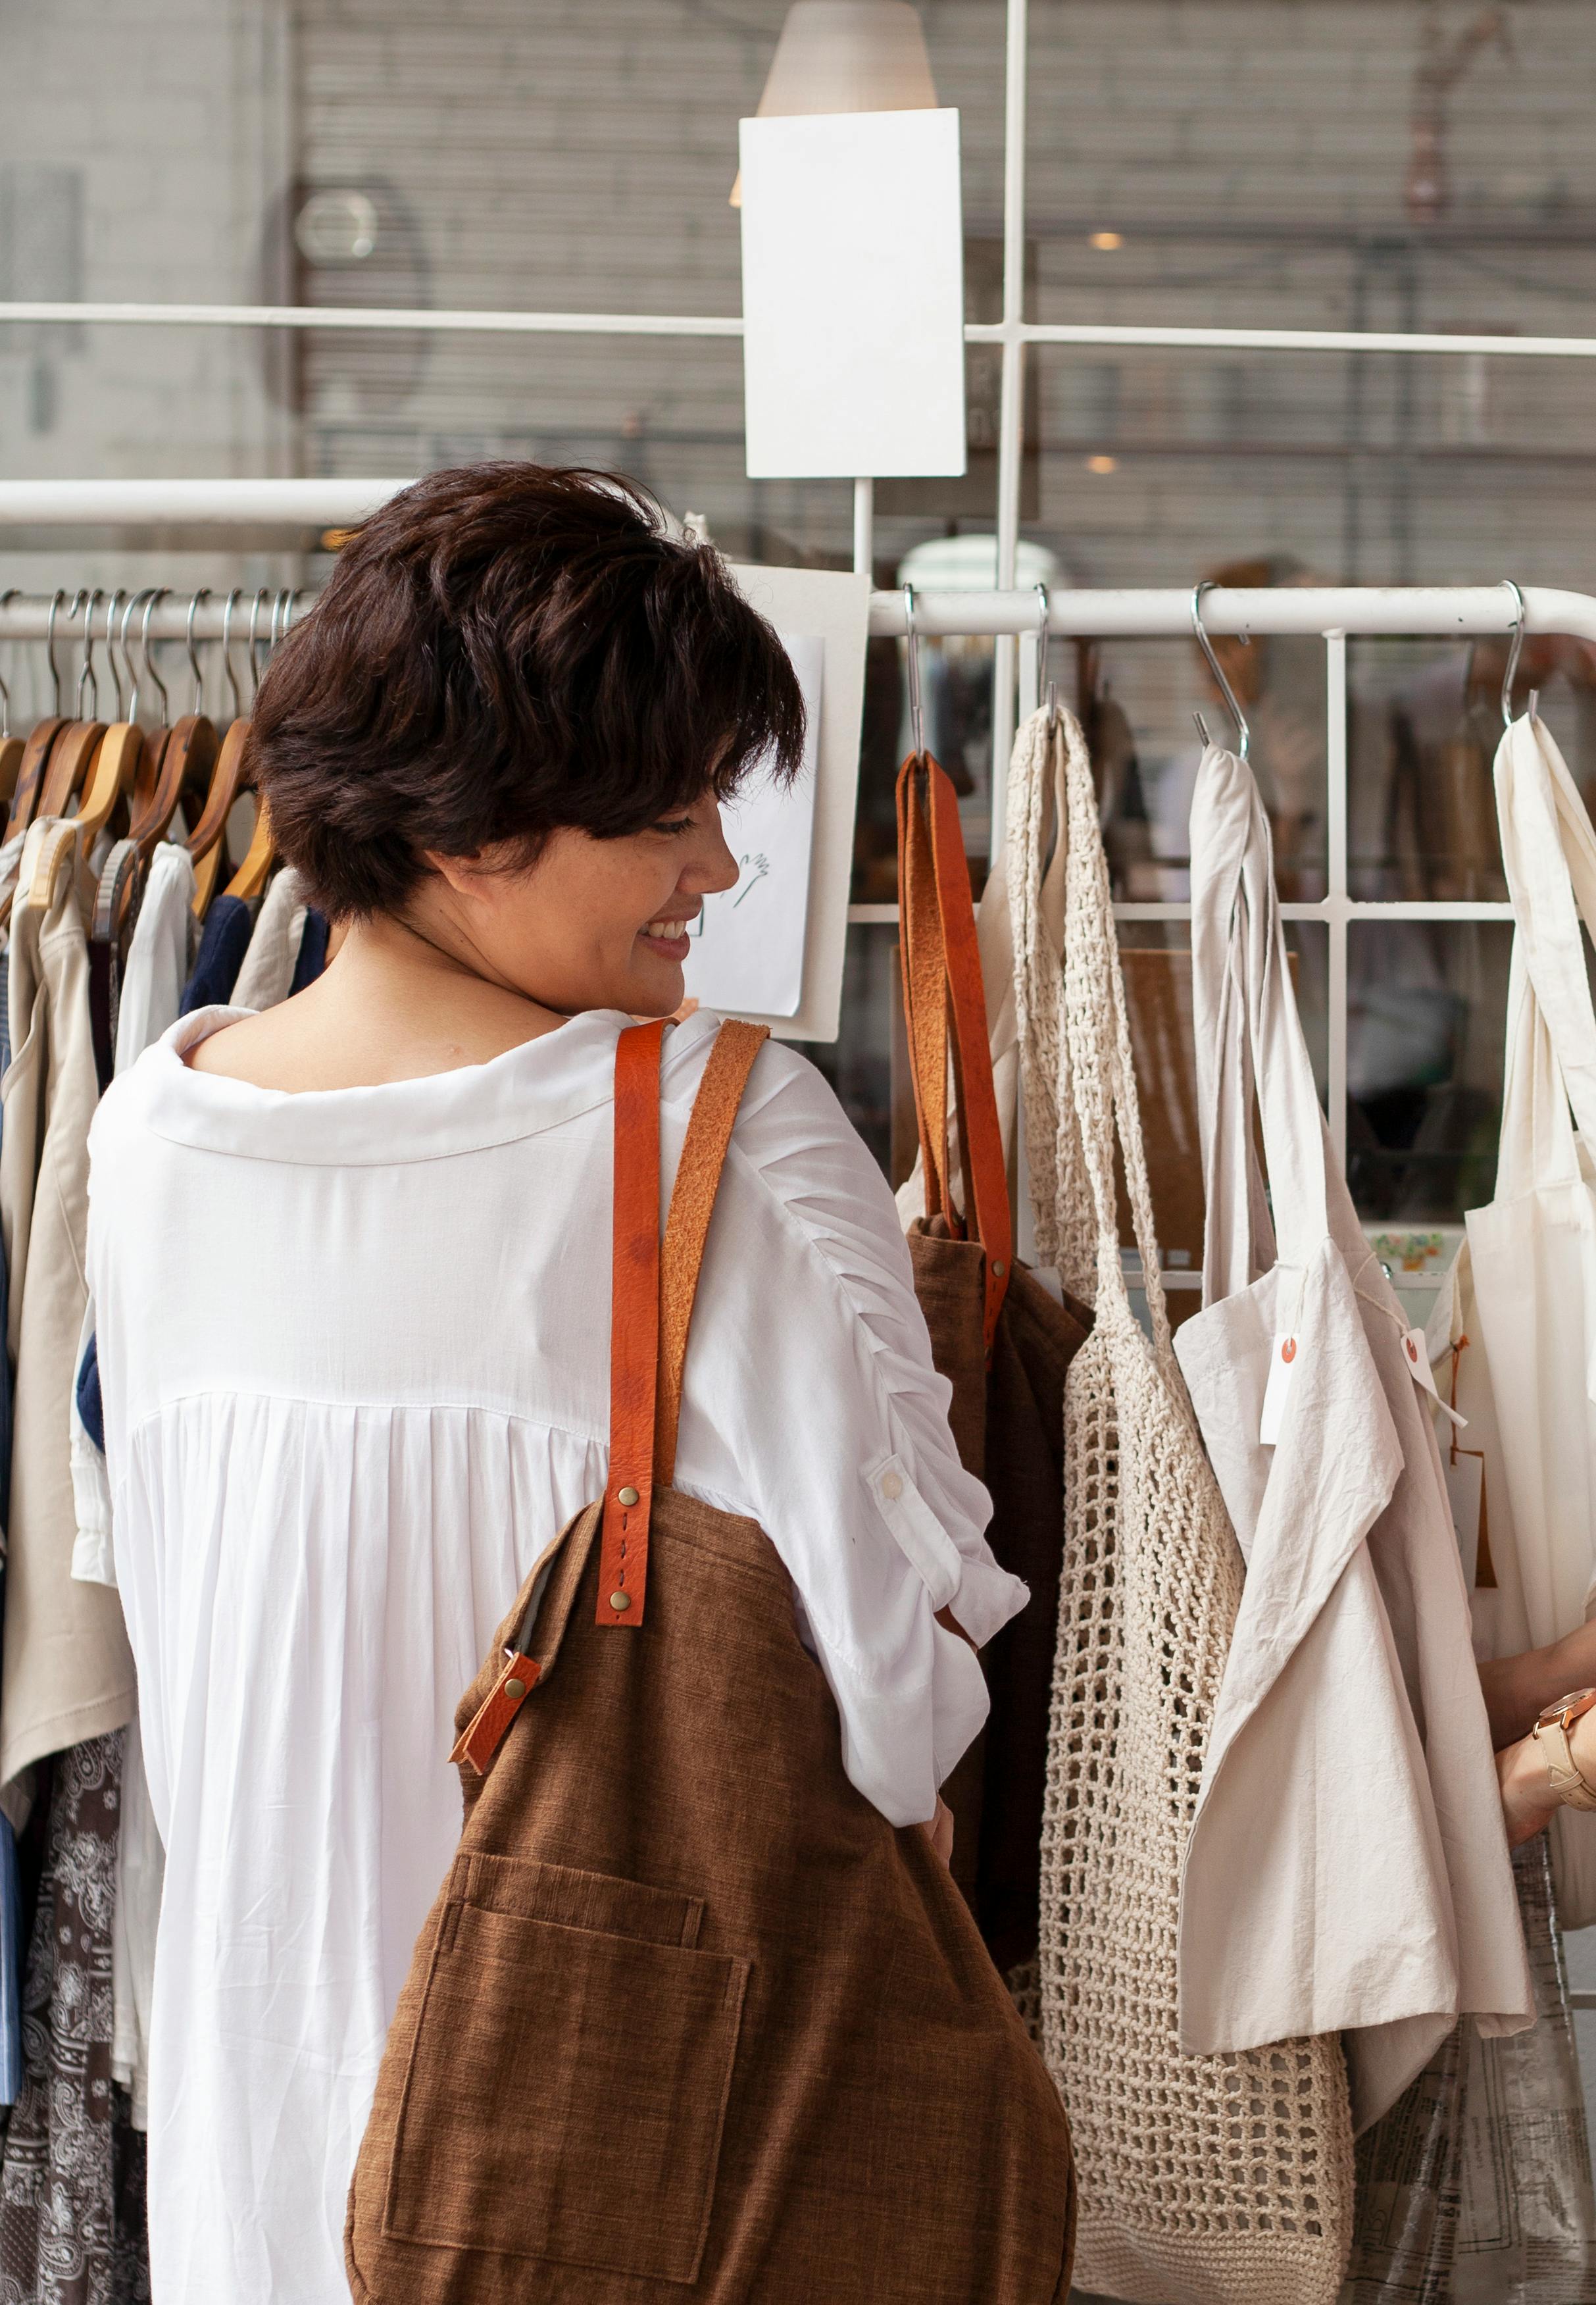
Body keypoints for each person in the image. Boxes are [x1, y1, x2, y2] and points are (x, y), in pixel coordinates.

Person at [86, 465, 1062, 2303]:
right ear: (474, 826)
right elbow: (896, 1714)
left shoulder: (155, 1131)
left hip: (253, 2157)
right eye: (670, 811)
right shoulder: (706, 1133)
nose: (718, 864)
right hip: (605, 2161)